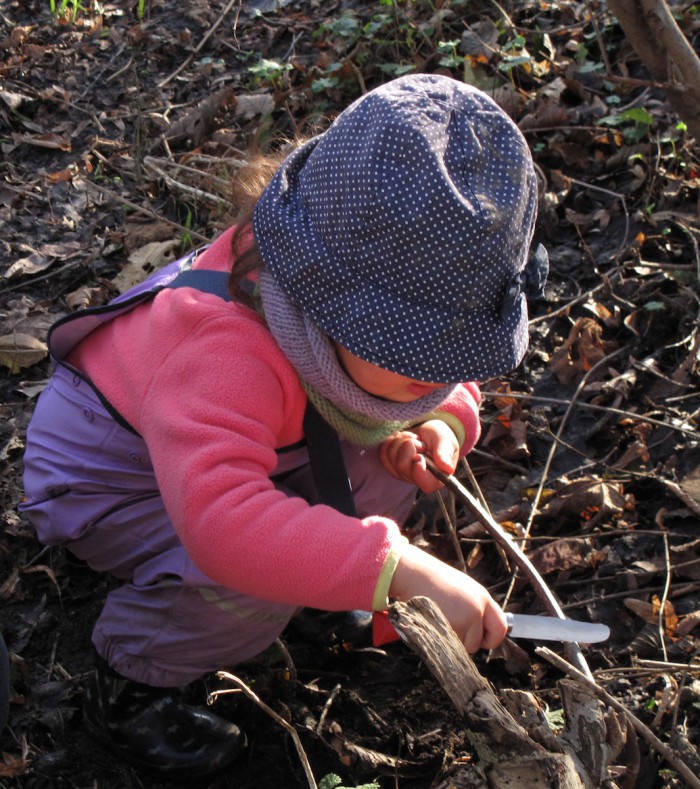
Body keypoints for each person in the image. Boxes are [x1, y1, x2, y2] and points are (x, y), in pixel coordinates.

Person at [20, 73, 546, 777]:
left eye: (453, 358)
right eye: (419, 359)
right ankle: (133, 684)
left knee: (380, 475)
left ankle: (320, 581)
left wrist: (442, 420)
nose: (440, 375)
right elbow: (222, 522)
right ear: (330, 301)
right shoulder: (220, 346)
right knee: (248, 573)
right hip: (112, 474)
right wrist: (393, 569)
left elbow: (444, 380)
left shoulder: (350, 307)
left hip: (264, 441)